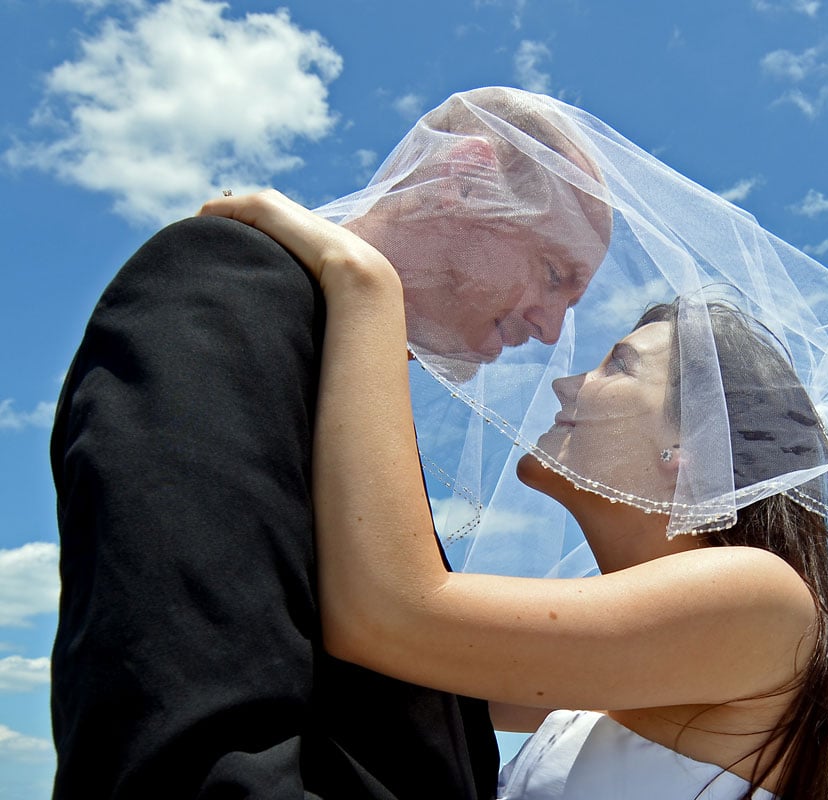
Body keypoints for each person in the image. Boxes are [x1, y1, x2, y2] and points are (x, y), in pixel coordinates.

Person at [203, 188, 828, 800]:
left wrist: (365, 284)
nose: (565, 378)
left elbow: (391, 614)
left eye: (617, 364)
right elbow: (379, 678)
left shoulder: (760, 598)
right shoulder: (617, 656)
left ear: (688, 451)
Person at [49, 88, 610, 798]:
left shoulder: (354, 383)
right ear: (466, 177)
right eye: (555, 273)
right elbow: (189, 708)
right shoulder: (229, 281)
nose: (552, 330)